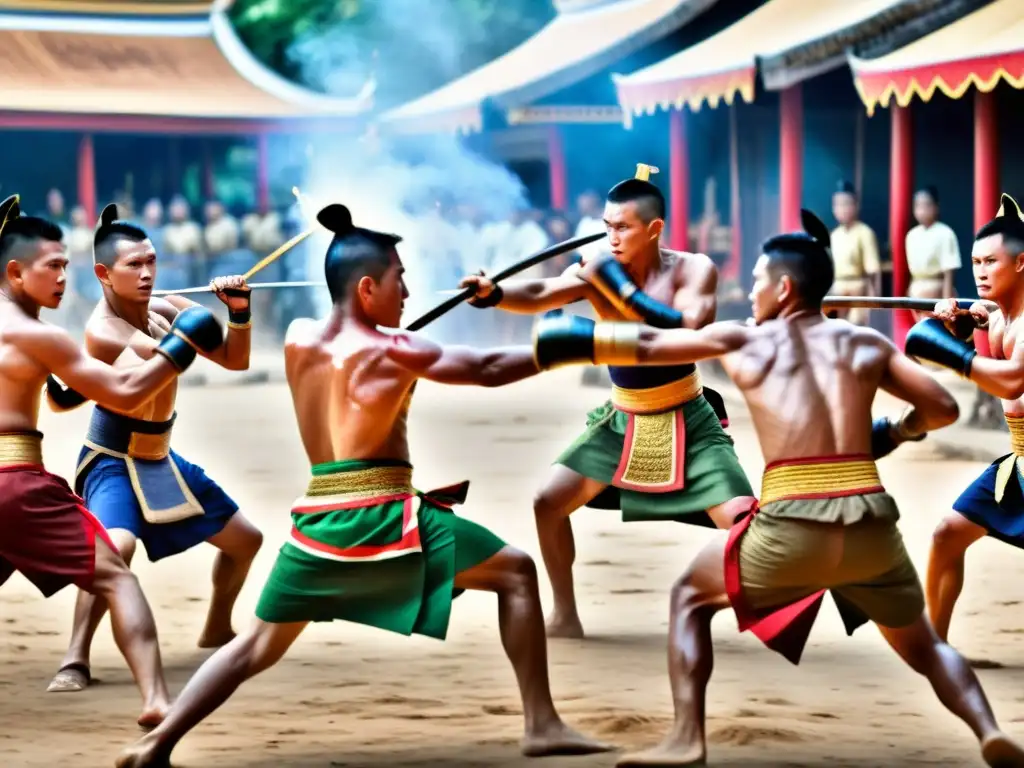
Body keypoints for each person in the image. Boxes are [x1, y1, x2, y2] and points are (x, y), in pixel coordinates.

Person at [114, 203, 611, 768]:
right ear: (368, 286)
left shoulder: (301, 337)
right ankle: (542, 725)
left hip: (317, 525)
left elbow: (364, 346)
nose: (408, 292)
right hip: (385, 520)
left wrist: (239, 310)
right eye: (400, 279)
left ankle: (158, 742)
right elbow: (488, 366)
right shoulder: (395, 350)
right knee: (518, 574)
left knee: (253, 645)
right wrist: (575, 346)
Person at [529, 207, 1024, 768]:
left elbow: (646, 349)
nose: (751, 292)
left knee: (689, 597)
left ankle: (687, 738)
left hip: (792, 521)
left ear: (785, 288)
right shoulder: (865, 343)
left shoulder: (746, 342)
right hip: (870, 524)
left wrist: (579, 339)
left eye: (760, 280)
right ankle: (987, 730)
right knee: (928, 648)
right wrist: (892, 431)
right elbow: (942, 408)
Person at [460, 164, 754, 639]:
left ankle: (757, 612)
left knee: (745, 521)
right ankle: (565, 614)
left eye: (623, 228)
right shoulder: (598, 268)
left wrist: (621, 289)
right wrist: (495, 294)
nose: (611, 238)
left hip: (688, 418)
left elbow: (689, 327)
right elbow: (540, 292)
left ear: (654, 229)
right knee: (547, 501)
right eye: (607, 227)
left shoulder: (695, 268)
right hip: (622, 417)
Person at [0, 194, 225, 726]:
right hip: (15, 485)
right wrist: (179, 347)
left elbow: (61, 395)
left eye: (65, 265)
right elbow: (125, 393)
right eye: (52, 266)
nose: (62, 278)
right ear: (14, 272)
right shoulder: (35, 334)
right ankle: (157, 702)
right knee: (118, 578)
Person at [46, 204, 264, 695]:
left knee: (246, 541)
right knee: (115, 549)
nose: (146, 273)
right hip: (113, 459)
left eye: (151, 262)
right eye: (133, 265)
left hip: (159, 455)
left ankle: (216, 627)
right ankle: (75, 656)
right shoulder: (104, 330)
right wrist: (194, 328)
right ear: (103, 274)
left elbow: (235, 359)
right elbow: (157, 371)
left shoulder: (165, 307)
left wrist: (238, 311)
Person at [909, 194, 1024, 649]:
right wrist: (959, 326)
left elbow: (1013, 381)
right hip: (1018, 460)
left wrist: (954, 351)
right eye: (975, 261)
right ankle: (934, 646)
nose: (979, 271)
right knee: (947, 535)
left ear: (1020, 263)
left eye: (990, 261)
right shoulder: (999, 316)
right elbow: (989, 334)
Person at [906, 186, 962, 322]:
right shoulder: (911, 235)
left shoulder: (945, 233)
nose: (922, 210)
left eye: (927, 205)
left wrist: (947, 303)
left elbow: (949, 273)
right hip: (917, 293)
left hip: (937, 292)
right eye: (918, 206)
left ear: (936, 207)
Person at [829, 180, 881, 326]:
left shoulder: (864, 232)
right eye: (838, 204)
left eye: (846, 203)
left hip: (858, 290)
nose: (842, 208)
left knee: (855, 325)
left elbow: (873, 271)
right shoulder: (834, 236)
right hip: (837, 291)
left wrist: (875, 301)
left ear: (856, 206)